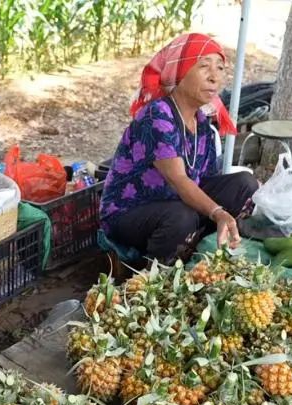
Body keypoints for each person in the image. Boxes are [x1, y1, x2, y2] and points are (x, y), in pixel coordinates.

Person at [99, 33, 260, 265]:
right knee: (181, 217)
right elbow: (178, 180)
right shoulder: (158, 115)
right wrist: (218, 213)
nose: (214, 77)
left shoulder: (201, 123)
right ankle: (152, 277)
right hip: (132, 213)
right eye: (204, 66)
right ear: (181, 72)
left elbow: (205, 180)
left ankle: (204, 247)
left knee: (244, 183)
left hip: (175, 202)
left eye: (220, 68)